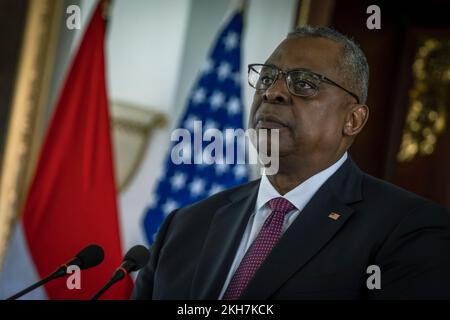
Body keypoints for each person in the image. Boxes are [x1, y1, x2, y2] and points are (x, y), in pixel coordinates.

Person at [132, 26, 450, 300]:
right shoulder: (184, 226)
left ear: (353, 119)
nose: (273, 92)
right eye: (267, 78)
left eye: (305, 83)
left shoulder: (409, 229)